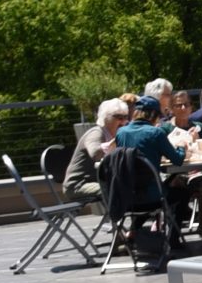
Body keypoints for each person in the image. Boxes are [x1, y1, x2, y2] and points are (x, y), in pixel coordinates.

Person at [109, 95, 187, 271]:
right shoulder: (156, 133)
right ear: (153, 115)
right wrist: (182, 146)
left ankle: (135, 232)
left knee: (150, 188)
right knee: (182, 192)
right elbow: (178, 160)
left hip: (126, 197)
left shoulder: (121, 132)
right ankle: (173, 240)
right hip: (152, 197)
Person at [65, 96, 131, 202]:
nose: (124, 122)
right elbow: (95, 153)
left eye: (126, 117)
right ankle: (118, 217)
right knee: (114, 189)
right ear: (106, 118)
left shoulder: (115, 134)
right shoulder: (96, 132)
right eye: (119, 117)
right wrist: (111, 144)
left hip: (98, 181)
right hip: (78, 185)